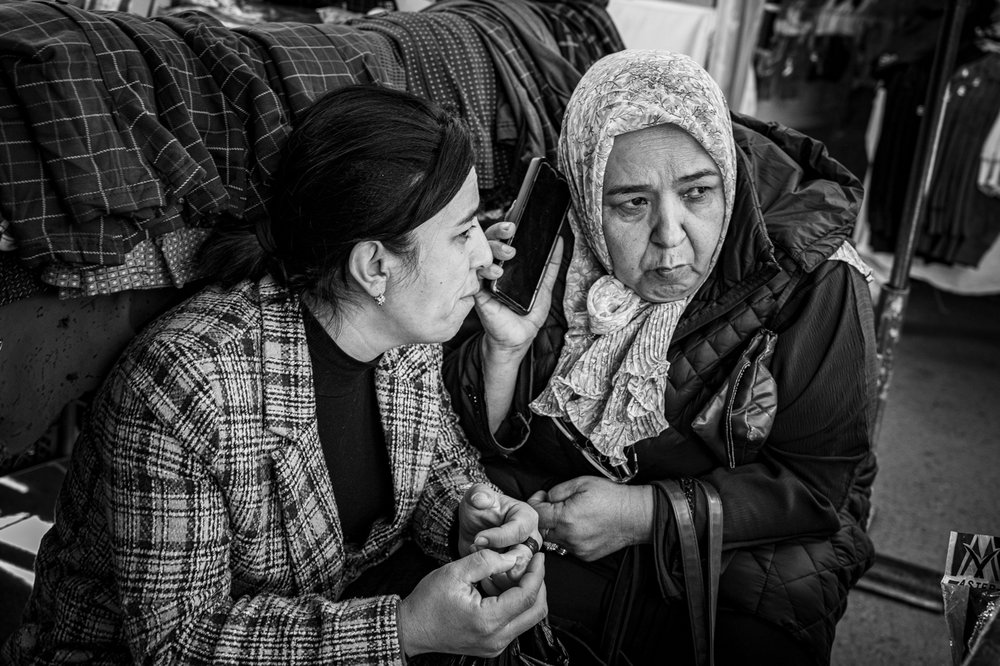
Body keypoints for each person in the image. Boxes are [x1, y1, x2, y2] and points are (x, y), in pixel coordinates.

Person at [1, 85, 554, 664]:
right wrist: (403, 629)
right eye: (464, 233)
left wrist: (463, 520)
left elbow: (433, 465)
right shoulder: (186, 385)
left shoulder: (406, 342)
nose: (486, 258)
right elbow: (176, 644)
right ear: (374, 267)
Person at [444, 49, 878, 666]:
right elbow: (482, 442)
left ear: (725, 175)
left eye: (698, 193)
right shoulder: (548, 238)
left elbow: (819, 488)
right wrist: (504, 349)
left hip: (754, 541)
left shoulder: (816, 279)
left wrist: (641, 514)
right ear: (590, 196)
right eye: (631, 204)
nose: (671, 236)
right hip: (561, 514)